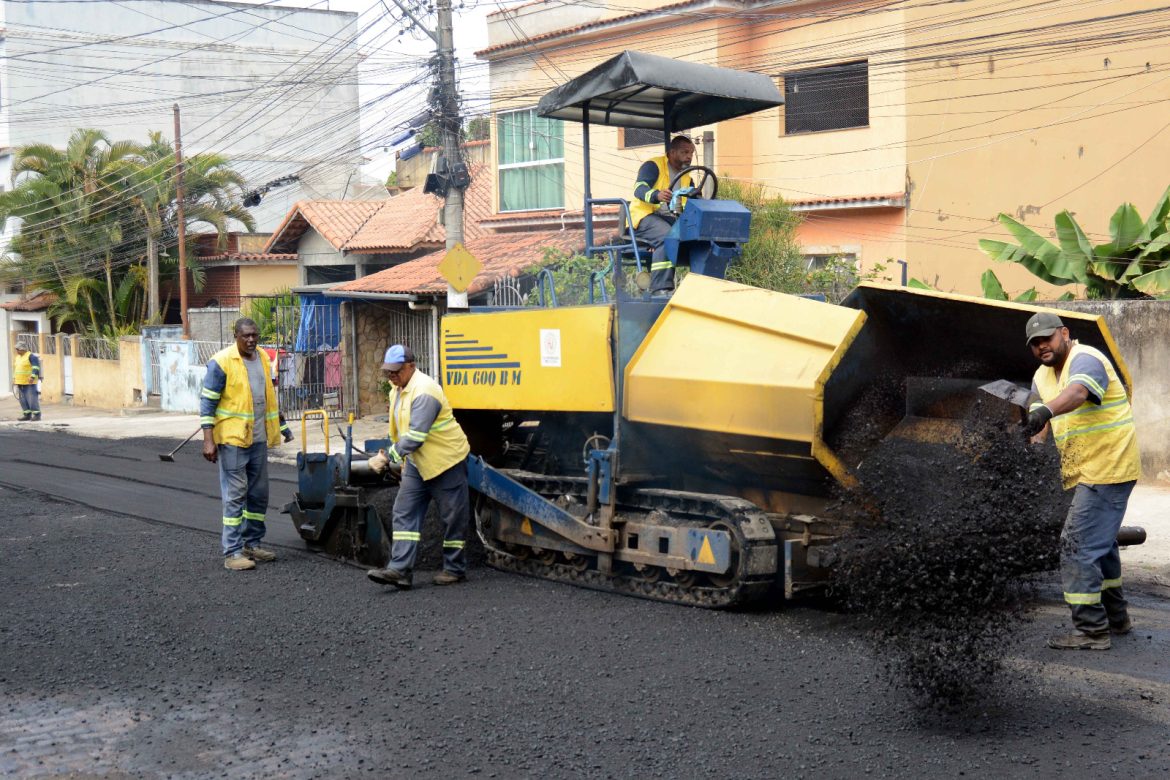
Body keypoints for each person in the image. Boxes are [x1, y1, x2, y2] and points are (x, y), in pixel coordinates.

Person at [1023, 311, 1141, 650]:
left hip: (1108, 467)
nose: (1042, 346)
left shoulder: (1085, 358)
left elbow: (1076, 394)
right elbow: (1037, 420)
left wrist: (1044, 412)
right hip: (1083, 469)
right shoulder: (1041, 376)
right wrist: (1029, 447)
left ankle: (1091, 631)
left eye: (1046, 338)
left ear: (1064, 333)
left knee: (1076, 545)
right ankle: (1117, 619)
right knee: (1100, 546)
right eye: (1035, 343)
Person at [367, 344, 471, 590]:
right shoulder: (397, 390)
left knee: (453, 517)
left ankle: (455, 569)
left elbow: (415, 435)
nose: (391, 376)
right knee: (404, 511)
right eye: (388, 372)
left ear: (411, 366)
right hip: (417, 462)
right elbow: (399, 430)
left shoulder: (425, 391)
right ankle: (400, 570)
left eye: (396, 371)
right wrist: (395, 455)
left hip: (446, 461)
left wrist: (388, 458)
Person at [200, 318, 292, 572]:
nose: (251, 340)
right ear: (236, 336)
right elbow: (207, 403)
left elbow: (268, 397)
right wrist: (209, 440)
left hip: (258, 439)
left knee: (259, 495)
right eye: (246, 336)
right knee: (236, 495)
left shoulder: (262, 357)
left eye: (255, 335)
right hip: (233, 440)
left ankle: (252, 543)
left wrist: (282, 426)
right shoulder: (221, 362)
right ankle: (232, 552)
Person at [630, 135, 696, 295]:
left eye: (691, 153)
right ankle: (660, 288)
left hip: (671, 219)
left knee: (700, 237)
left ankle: (700, 286)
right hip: (644, 216)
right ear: (672, 152)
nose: (689, 156)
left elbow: (694, 201)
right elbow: (639, 189)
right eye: (684, 152)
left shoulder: (687, 176)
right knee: (667, 236)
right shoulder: (653, 166)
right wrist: (656, 195)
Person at [12, 344, 42, 422]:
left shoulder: (31, 356)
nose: (17, 351)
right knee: (23, 400)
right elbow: (16, 368)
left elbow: (36, 367)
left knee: (32, 399)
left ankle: (37, 415)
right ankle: (27, 414)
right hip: (20, 382)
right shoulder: (18, 357)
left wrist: (32, 376)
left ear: (23, 349)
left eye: (18, 349)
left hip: (29, 382)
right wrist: (14, 378)